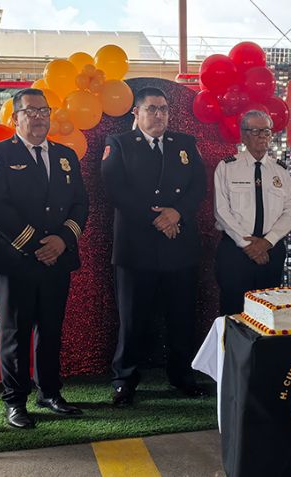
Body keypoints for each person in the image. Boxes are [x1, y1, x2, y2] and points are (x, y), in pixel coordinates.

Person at [0, 88, 89, 429]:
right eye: (31, 111)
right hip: (15, 261)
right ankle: (15, 401)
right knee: (15, 333)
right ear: (16, 118)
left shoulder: (65, 155)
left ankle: (50, 392)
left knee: (51, 329)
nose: (39, 117)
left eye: (44, 110)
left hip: (57, 258)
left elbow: (80, 204)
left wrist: (62, 240)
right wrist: (36, 245)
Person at [101, 87, 207, 406]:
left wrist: (178, 213)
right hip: (137, 246)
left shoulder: (185, 144)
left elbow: (198, 185)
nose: (159, 115)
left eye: (163, 109)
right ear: (136, 113)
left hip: (179, 242)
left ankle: (182, 376)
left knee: (181, 317)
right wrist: (158, 219)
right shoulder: (118, 144)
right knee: (133, 318)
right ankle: (124, 379)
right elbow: (114, 188)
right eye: (151, 109)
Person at [214, 109, 291, 315]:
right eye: (255, 130)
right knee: (233, 313)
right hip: (235, 251)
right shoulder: (227, 167)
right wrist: (248, 245)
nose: (262, 136)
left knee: (266, 315)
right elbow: (221, 210)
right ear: (243, 135)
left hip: (271, 251)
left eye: (267, 131)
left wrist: (267, 242)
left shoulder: (280, 171)